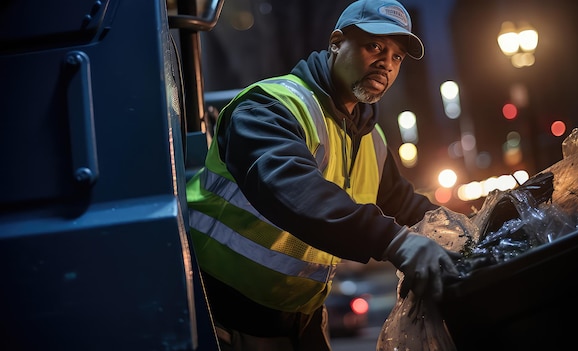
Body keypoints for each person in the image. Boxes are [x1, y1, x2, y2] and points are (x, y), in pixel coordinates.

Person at [186, 0, 463, 350]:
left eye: (397, 57)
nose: (386, 64)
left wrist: (472, 230)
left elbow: (407, 206)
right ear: (335, 43)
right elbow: (295, 189)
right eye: (374, 46)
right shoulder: (268, 107)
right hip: (221, 314)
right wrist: (394, 241)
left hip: (302, 318)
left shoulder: (370, 139)